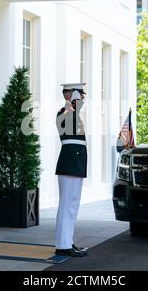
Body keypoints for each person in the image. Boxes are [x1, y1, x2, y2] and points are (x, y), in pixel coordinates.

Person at [54, 83, 89, 257]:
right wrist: (71, 103)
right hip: (69, 165)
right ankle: (62, 245)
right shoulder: (64, 113)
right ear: (71, 95)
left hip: (76, 165)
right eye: (80, 95)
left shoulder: (75, 115)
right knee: (67, 205)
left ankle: (68, 241)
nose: (83, 99)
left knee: (72, 206)